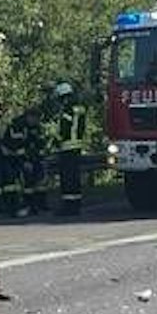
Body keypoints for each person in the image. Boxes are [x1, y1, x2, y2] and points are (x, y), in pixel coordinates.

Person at [46, 81, 88, 217]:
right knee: (74, 177)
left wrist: (54, 138)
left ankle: (68, 207)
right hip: (77, 146)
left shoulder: (67, 109)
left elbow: (64, 130)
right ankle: (75, 204)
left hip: (67, 147)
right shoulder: (79, 107)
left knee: (67, 178)